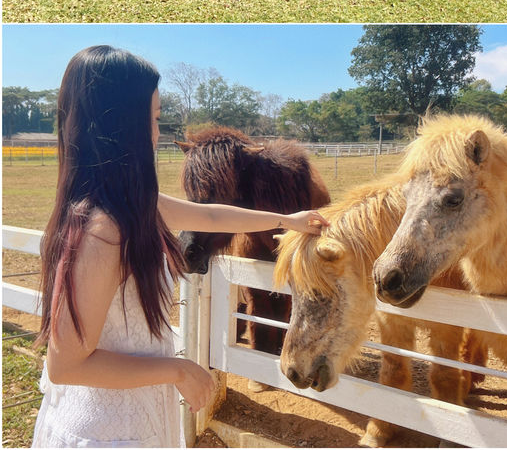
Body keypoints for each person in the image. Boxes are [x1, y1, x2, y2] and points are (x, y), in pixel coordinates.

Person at [32, 46, 329, 448]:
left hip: (135, 412)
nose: (156, 132)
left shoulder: (131, 203)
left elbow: (209, 218)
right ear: (121, 124)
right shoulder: (102, 232)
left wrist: (285, 221)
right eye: (152, 118)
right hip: (106, 431)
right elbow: (66, 365)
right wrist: (177, 370)